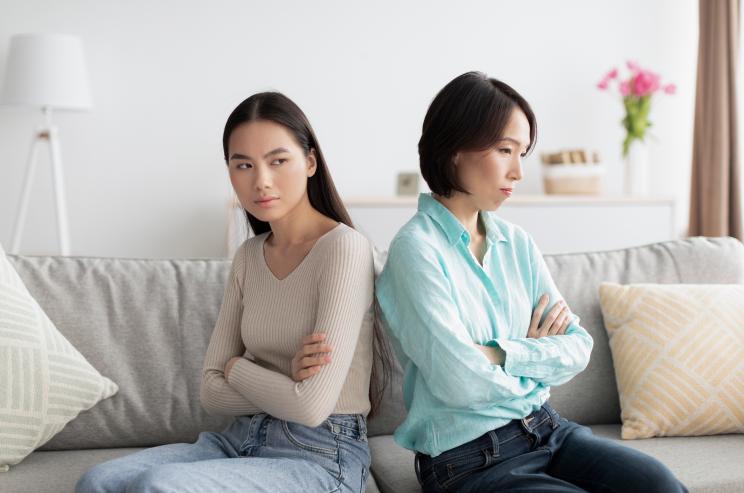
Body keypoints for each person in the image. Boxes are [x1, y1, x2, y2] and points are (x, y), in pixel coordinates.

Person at [375, 71, 688, 493]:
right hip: (468, 460)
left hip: (549, 430)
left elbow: (578, 348)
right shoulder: (417, 250)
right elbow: (458, 381)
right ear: (453, 149)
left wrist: (497, 352)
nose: (518, 171)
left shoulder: (516, 242)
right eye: (505, 150)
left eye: (522, 152)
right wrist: (536, 357)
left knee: (658, 484)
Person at [76, 92, 381, 493]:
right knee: (99, 481)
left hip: (322, 453)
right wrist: (285, 380)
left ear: (310, 162)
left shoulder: (344, 248)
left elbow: (309, 406)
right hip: (239, 438)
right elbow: (211, 392)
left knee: (160, 486)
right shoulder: (249, 256)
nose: (261, 181)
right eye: (243, 165)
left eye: (278, 161)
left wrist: (237, 369)